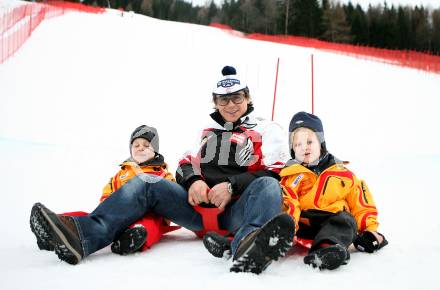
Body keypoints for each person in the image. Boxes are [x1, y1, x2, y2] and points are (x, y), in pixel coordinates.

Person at [29, 66, 294, 274]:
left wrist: (231, 186)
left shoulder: (267, 129)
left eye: (237, 97)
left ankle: (249, 247)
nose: (230, 105)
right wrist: (192, 182)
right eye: (223, 100)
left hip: (238, 211)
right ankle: (82, 235)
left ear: (247, 97)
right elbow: (184, 163)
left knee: (268, 187)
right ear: (215, 102)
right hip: (198, 210)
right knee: (147, 180)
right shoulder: (207, 132)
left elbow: (276, 171)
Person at [203, 112, 388, 270]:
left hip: (332, 222)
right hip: (303, 223)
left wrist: (371, 230)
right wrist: (290, 227)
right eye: (297, 144)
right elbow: (290, 202)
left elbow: (362, 204)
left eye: (309, 141)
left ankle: (325, 250)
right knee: (274, 217)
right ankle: (237, 245)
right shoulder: (291, 176)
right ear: (292, 150)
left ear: (321, 143)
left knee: (346, 220)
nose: (304, 147)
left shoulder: (344, 174)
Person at [30, 125, 179, 256]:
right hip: (119, 213)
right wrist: (107, 204)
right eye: (136, 145)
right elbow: (109, 189)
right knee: (92, 216)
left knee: (150, 224)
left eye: (146, 145)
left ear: (156, 150)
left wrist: (167, 215)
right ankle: (56, 225)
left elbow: (171, 195)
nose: (140, 148)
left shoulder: (162, 173)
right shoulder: (123, 173)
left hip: (150, 214)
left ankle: (130, 239)